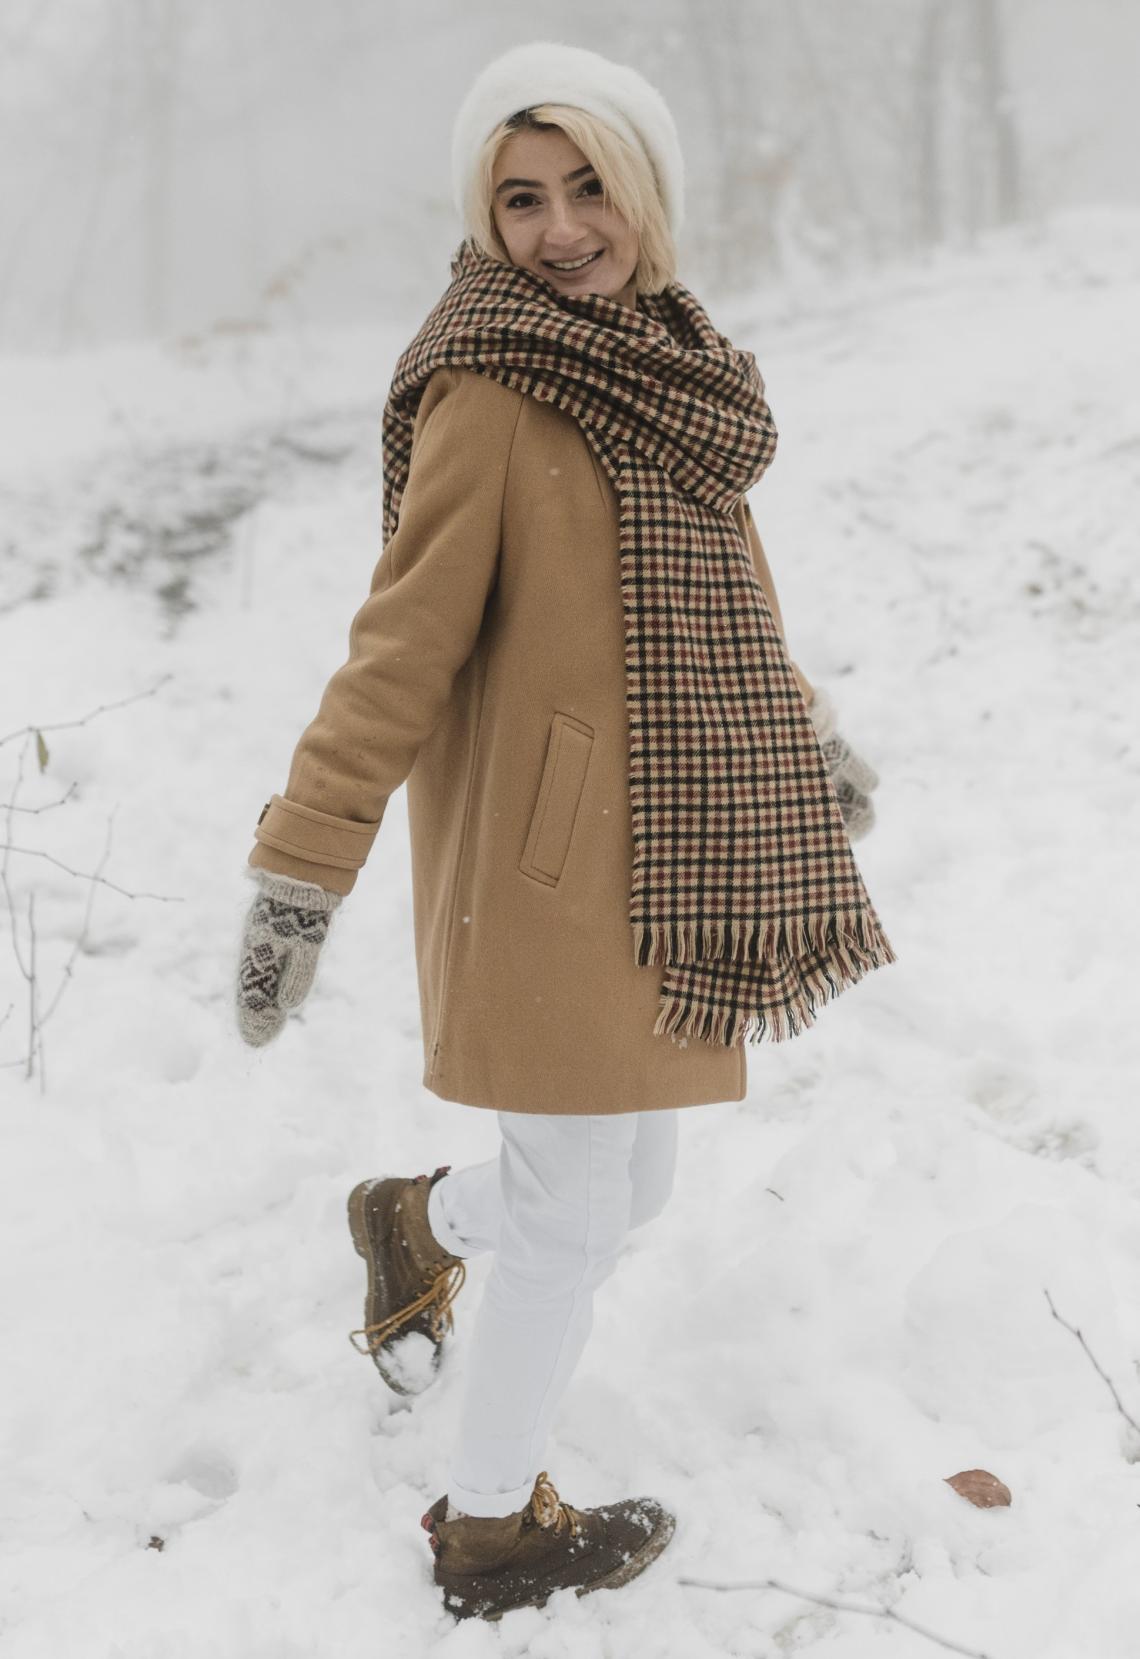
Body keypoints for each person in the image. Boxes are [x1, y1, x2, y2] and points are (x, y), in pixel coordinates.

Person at [235, 40, 893, 1623]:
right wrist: (300, 869)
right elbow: (401, 641)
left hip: (672, 839)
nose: (561, 224)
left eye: (590, 184)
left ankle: (409, 1221)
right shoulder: (488, 381)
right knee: (580, 1212)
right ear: (485, 218)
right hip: (546, 871)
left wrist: (800, 723)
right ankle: (489, 1531)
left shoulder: (667, 361)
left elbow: (728, 589)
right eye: (520, 197)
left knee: (626, 1195)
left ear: (647, 191)